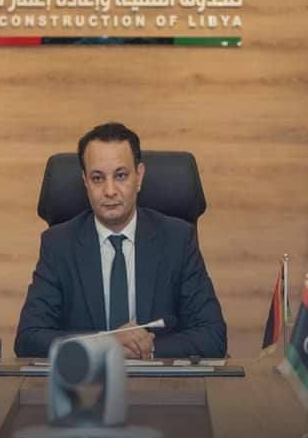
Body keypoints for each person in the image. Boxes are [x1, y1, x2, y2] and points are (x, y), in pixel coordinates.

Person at [15, 122, 227, 359]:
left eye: (121, 176)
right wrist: (106, 342)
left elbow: (213, 336)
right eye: (97, 178)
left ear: (139, 177)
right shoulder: (59, 245)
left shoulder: (177, 240)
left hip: (160, 380)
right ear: (85, 182)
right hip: (87, 379)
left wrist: (144, 349)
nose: (110, 190)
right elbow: (29, 338)